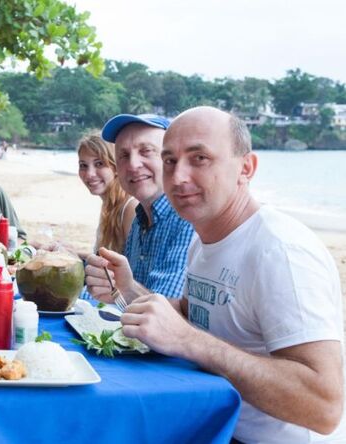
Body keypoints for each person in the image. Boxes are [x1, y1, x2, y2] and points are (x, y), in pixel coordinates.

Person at [90, 106, 346, 442]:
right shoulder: (205, 238)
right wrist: (127, 290)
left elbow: (324, 408)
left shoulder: (281, 252)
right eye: (170, 160)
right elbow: (199, 313)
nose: (178, 177)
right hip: (214, 424)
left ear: (246, 168)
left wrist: (190, 342)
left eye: (199, 158)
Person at [85, 114, 194, 299]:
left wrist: (124, 290)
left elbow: (167, 315)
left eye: (146, 151)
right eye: (124, 155)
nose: (133, 164)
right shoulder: (139, 220)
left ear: (171, 160)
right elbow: (124, 301)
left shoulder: (188, 220)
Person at [77, 133, 137, 254]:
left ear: (116, 167)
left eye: (99, 164)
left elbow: (134, 269)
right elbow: (104, 261)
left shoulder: (130, 208)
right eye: (83, 165)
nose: (89, 174)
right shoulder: (109, 205)